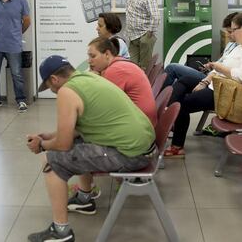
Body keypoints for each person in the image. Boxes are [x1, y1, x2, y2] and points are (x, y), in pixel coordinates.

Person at [26, 55, 155, 242]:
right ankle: (85, 200)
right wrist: (48, 136)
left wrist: (42, 145)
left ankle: (61, 231)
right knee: (82, 143)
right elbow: (78, 129)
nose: (52, 91)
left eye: (49, 87)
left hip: (131, 155)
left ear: (54, 79)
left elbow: (63, 144)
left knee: (51, 160)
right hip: (144, 147)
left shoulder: (66, 91)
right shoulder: (89, 78)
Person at [164, 13, 242, 157]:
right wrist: (205, 80)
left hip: (227, 95)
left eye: (234, 30)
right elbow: (221, 67)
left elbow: (237, 75)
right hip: (217, 85)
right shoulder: (237, 47)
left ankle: (177, 145)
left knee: (182, 105)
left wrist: (218, 68)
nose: (231, 34)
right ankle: (170, 115)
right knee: (184, 80)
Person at [88, 37, 157, 127]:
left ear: (107, 54)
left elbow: (104, 107)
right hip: (142, 122)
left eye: (93, 56)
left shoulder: (115, 70)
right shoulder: (119, 64)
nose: (89, 61)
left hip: (140, 127)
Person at [163, 12, 239, 87]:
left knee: (172, 68)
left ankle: (157, 97)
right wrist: (211, 65)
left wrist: (205, 81)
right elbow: (222, 62)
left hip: (212, 80)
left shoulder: (239, 50)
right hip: (210, 74)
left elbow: (228, 71)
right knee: (179, 77)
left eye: (230, 32)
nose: (227, 35)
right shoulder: (231, 44)